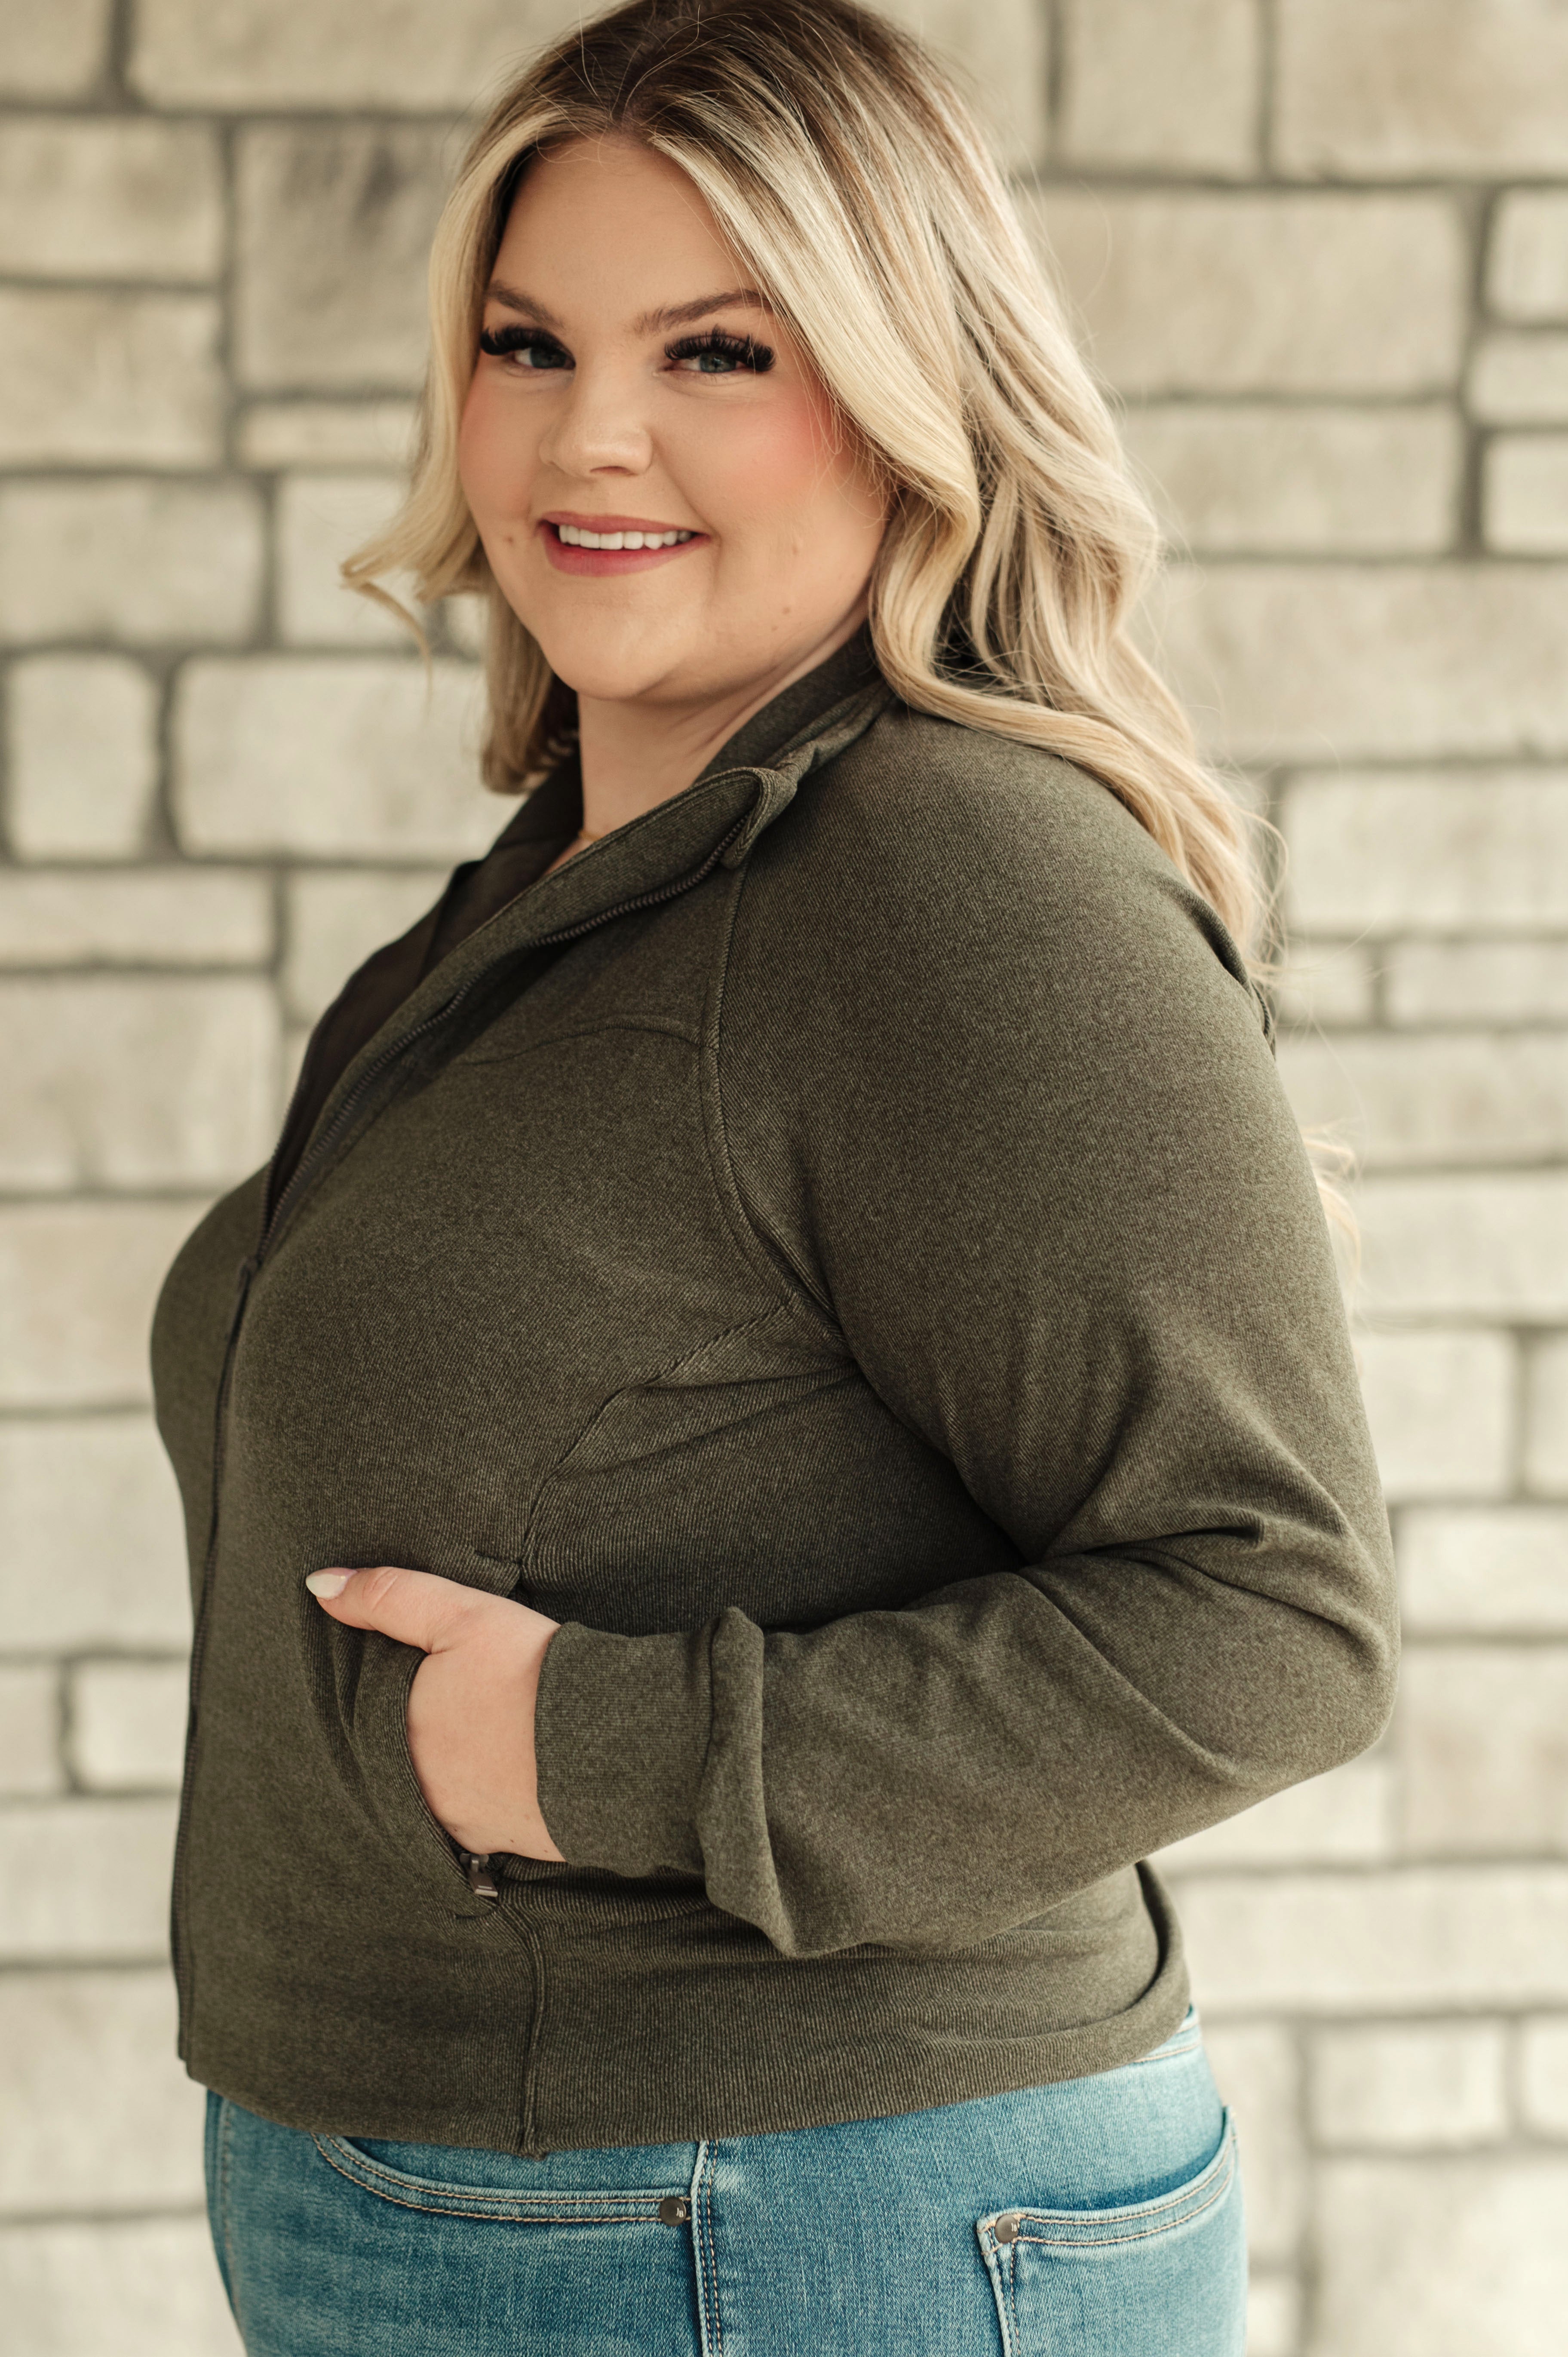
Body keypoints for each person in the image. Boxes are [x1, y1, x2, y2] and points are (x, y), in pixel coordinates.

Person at [151, 3, 1397, 2350]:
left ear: (912, 386)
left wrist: (600, 1749)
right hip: (517, 2207)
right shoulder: (578, 883)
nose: (586, 433)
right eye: (529, 342)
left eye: (718, 350)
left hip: (786, 2223)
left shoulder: (953, 881)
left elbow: (1276, 1615)